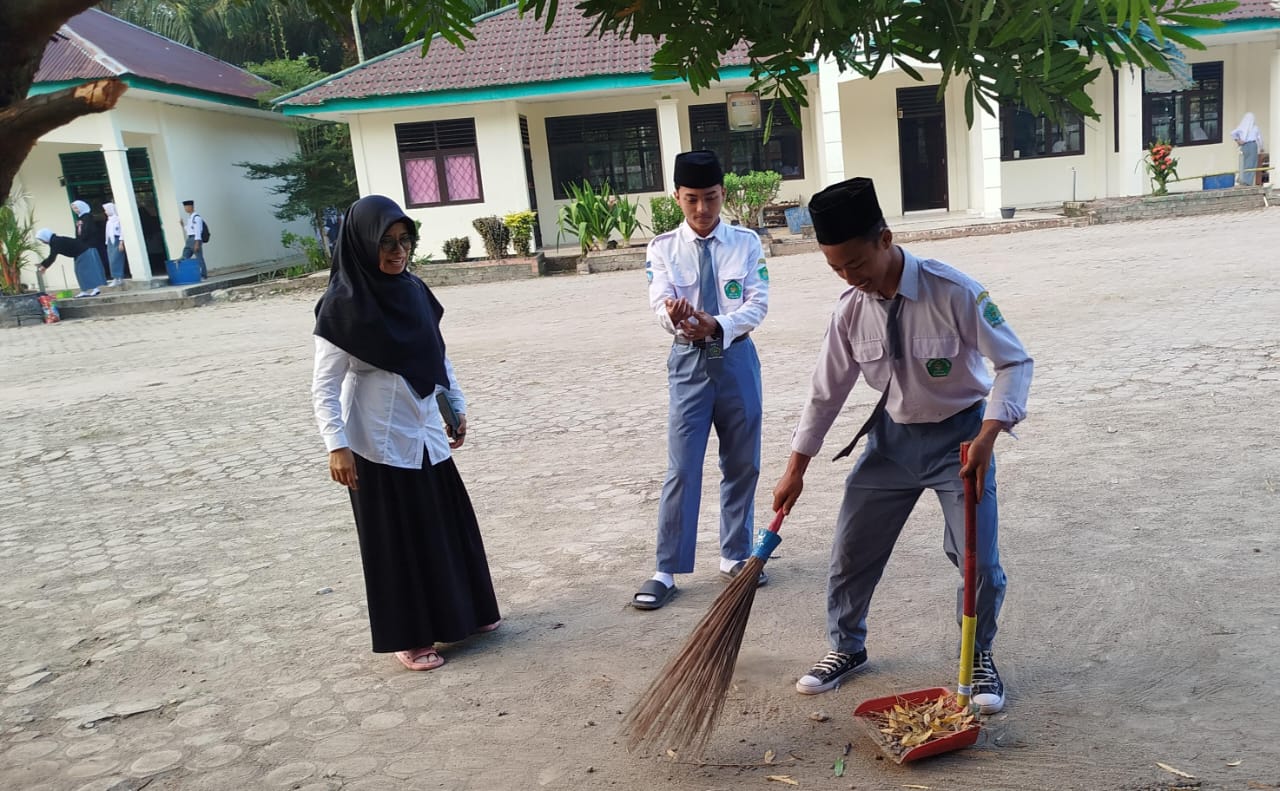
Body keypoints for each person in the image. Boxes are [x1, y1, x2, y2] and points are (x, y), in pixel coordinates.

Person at [771, 177, 1033, 714]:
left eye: (856, 264)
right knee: (850, 549)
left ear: (885, 239)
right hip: (889, 444)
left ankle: (979, 654)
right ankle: (846, 647)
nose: (850, 278)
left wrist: (988, 434)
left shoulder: (953, 291)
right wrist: (796, 467)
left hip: (960, 441)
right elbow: (826, 393)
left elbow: (1014, 363)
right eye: (836, 269)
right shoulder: (850, 309)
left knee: (977, 559)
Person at [311, 194, 500, 672]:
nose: (398, 252)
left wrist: (453, 406)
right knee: (395, 543)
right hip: (376, 441)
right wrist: (337, 446)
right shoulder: (341, 307)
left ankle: (468, 614)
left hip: (425, 435)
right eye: (386, 243)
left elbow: (437, 355)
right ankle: (409, 637)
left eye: (405, 241)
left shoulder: (415, 290)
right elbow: (324, 387)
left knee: (444, 528)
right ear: (361, 245)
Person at [631, 150, 771, 610]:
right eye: (691, 199)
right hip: (689, 364)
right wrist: (678, 320)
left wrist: (719, 325)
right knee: (682, 467)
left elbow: (757, 304)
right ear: (677, 197)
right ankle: (665, 570)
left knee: (742, 461)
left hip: (735, 359)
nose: (702, 210)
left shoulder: (747, 243)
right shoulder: (662, 248)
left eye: (710, 198)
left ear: (722, 195)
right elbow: (659, 305)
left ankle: (735, 555)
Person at [35, 225, 105, 298]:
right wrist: (42, 264)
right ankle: (85, 291)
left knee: (84, 272)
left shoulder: (55, 242)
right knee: (79, 272)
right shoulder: (55, 241)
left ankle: (94, 289)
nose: (42, 241)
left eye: (42, 239)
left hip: (83, 253)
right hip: (80, 253)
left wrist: (44, 266)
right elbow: (51, 256)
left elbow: (52, 257)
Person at [1231, 112, 1263, 187]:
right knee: (1251, 164)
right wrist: (1261, 147)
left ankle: (1241, 179)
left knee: (1244, 163)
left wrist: (1238, 140)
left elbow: (1233, 134)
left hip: (1244, 146)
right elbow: (1259, 138)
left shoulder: (1242, 127)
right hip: (1252, 145)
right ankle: (1247, 182)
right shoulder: (1255, 127)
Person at [103, 202, 127, 286]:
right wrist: (107, 242)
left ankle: (119, 277)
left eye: (106, 210)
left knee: (117, 259)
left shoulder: (118, 219)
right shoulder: (109, 221)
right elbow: (107, 232)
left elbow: (122, 231)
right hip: (110, 241)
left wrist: (121, 242)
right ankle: (115, 277)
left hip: (117, 240)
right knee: (111, 259)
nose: (105, 212)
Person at [181, 199, 207, 278]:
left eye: (186, 207)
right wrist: (183, 225)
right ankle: (186, 274)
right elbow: (190, 230)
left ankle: (203, 275)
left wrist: (197, 243)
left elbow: (198, 231)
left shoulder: (196, 218)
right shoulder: (190, 218)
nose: (185, 209)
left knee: (199, 258)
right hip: (189, 239)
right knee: (184, 257)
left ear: (190, 207)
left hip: (195, 239)